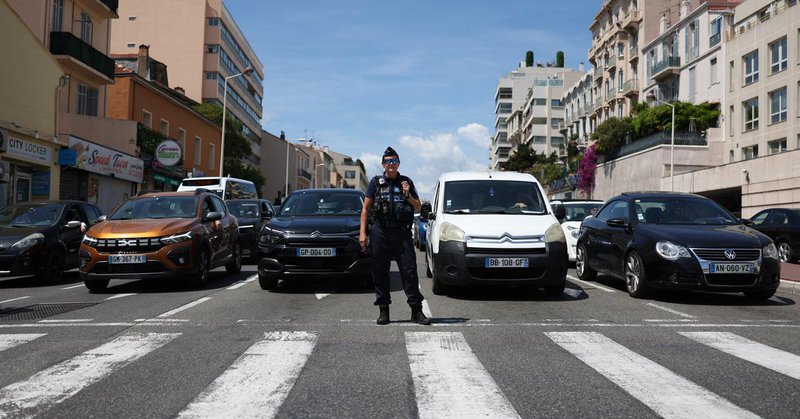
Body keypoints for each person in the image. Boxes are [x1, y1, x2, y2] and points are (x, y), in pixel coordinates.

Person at [360, 146, 430, 325]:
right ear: (383, 164)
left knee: (409, 271)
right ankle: (384, 310)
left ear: (398, 163)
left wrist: (407, 194)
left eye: (394, 161)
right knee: (380, 271)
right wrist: (362, 233)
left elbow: (417, 207)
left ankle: (416, 311)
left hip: (402, 232)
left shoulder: (406, 181)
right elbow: (366, 209)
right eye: (388, 161)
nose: (391, 164)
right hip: (380, 231)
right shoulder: (375, 183)